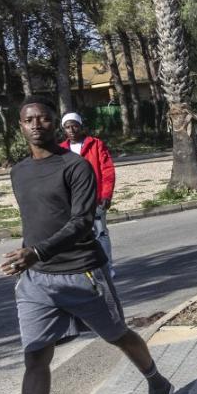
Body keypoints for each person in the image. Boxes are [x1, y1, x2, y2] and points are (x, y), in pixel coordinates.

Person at [0, 97, 173, 394]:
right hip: (36, 280)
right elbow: (37, 221)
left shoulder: (76, 166)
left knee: (118, 335)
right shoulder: (18, 172)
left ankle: (158, 383)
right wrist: (29, 258)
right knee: (36, 357)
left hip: (81, 274)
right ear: (20, 126)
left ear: (55, 124)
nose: (37, 124)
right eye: (29, 119)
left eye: (44, 118)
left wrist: (36, 252)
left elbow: (82, 222)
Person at [60, 112, 116, 276]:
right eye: (67, 127)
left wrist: (106, 195)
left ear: (81, 126)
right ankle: (86, 269)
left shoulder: (96, 144)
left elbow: (108, 171)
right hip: (73, 201)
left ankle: (107, 267)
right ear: (64, 130)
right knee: (77, 236)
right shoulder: (61, 150)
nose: (71, 130)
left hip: (96, 199)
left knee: (100, 233)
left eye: (74, 126)